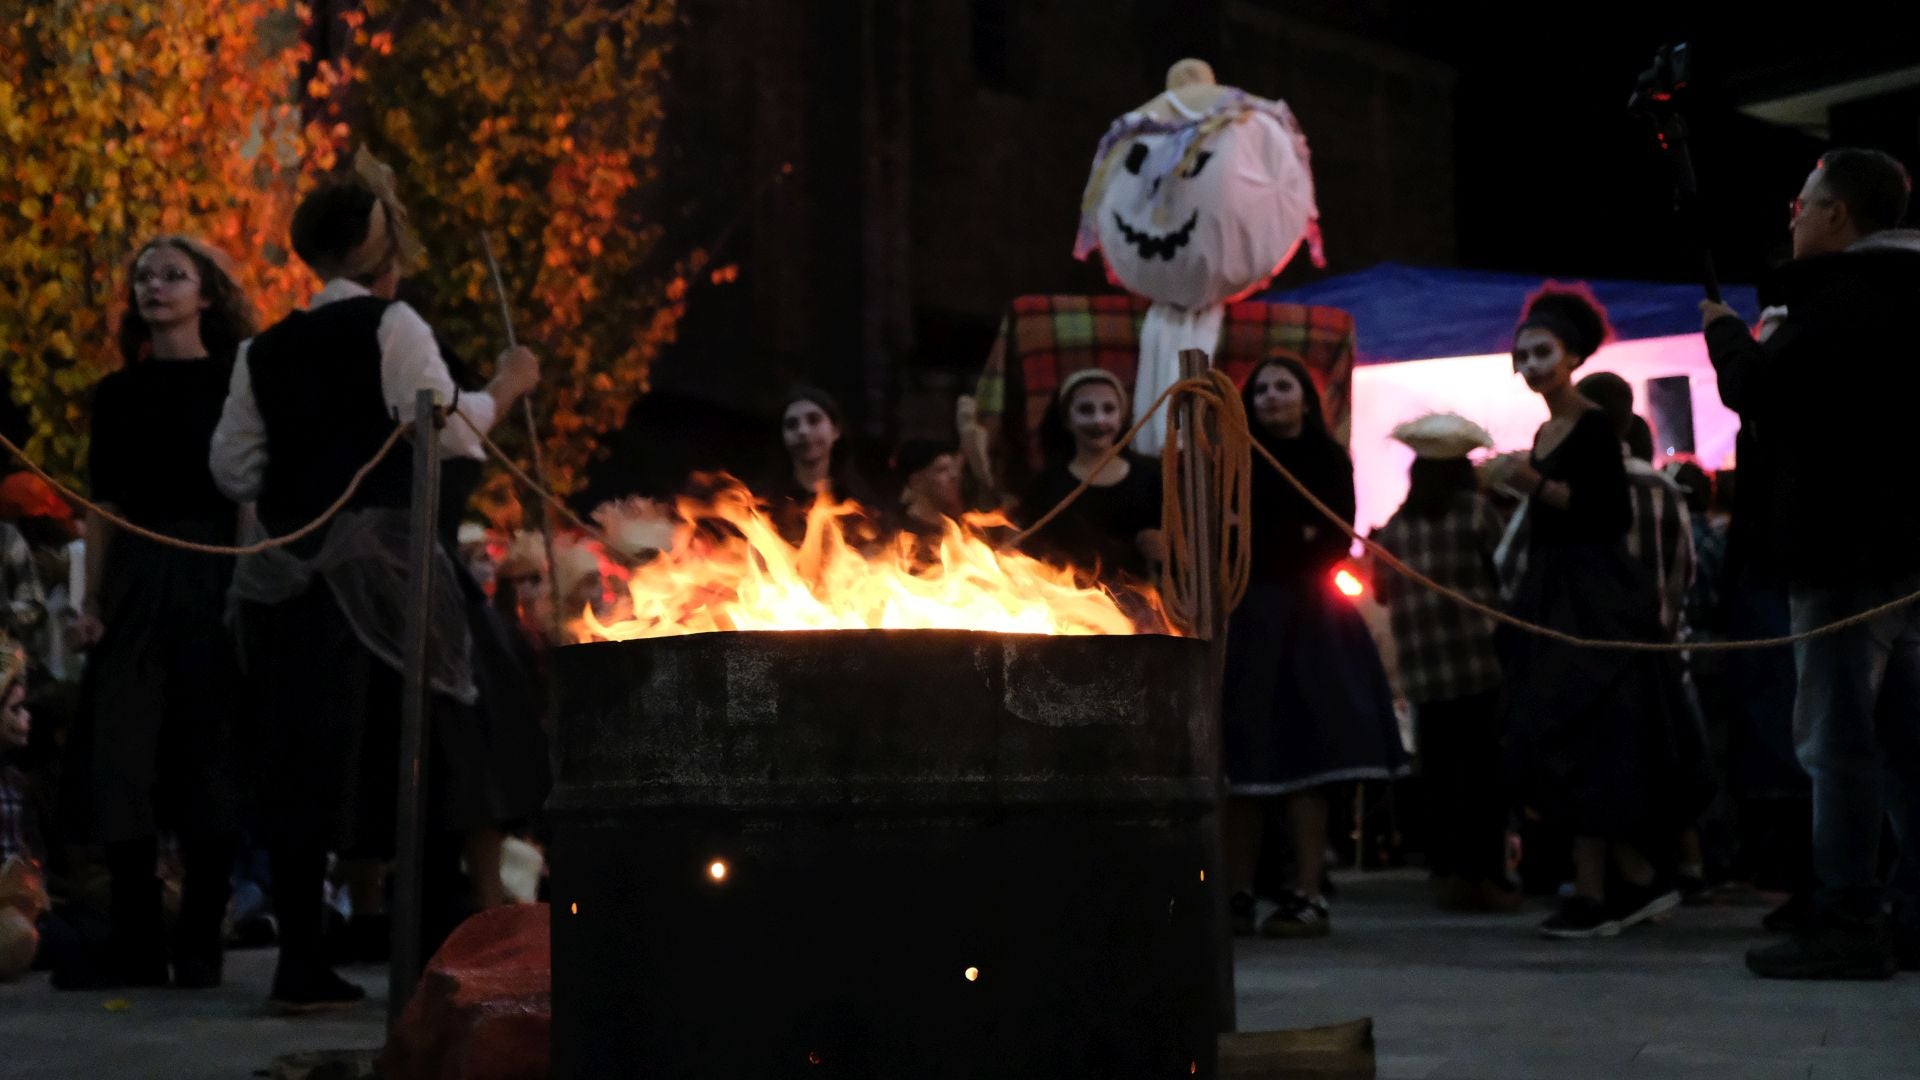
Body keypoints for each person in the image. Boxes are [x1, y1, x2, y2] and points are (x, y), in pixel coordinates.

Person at [210, 151, 542, 1011]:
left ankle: (301, 964)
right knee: (427, 754)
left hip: (291, 588)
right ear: (376, 249)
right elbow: (447, 429)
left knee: (303, 767)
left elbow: (234, 469)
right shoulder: (393, 325)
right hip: (392, 589)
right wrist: (505, 386)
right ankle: (432, 956)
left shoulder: (261, 351)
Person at [1702, 147, 1920, 979]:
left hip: (1841, 550)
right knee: (1904, 741)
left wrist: (1727, 338)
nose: (1792, 219)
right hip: (1904, 552)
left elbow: (1768, 392)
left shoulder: (1841, 296)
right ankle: (1910, 911)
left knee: (1839, 742)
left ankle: (1847, 917)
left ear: (1837, 214)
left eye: (1803, 205)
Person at [57, 236, 257, 991]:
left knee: (211, 752)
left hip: (212, 570)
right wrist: (91, 599)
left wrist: (245, 583)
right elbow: (104, 504)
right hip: (139, 577)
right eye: (144, 276)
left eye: (174, 275)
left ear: (206, 294)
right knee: (123, 755)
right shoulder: (118, 394)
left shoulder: (236, 381)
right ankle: (137, 936)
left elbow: (247, 492)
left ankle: (201, 936)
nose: (155, 287)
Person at [1498, 286, 1710, 940]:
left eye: (1542, 353)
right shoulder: (1548, 429)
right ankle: (1627, 881)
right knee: (1566, 736)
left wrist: (1531, 484)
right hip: (1555, 591)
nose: (1531, 366)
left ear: (1571, 356)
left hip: (1592, 596)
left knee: (1586, 732)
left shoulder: (1591, 426)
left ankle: (1602, 888)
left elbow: (1606, 515)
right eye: (1522, 356)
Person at [1221, 354, 1406, 938]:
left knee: (1311, 755)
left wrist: (1271, 539)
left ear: (1306, 398)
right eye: (1262, 389)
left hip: (1310, 619)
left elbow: (1329, 538)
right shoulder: (1234, 458)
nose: (1272, 397)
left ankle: (1307, 892)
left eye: (1284, 386)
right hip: (1251, 614)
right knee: (1244, 756)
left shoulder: (1327, 459)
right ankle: (1236, 892)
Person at [1369, 414, 1517, 913]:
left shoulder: (1396, 528)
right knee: (1483, 776)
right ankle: (1486, 876)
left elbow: (1381, 594)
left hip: (1423, 673)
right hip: (1478, 665)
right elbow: (1504, 577)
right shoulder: (1477, 513)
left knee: (1440, 776)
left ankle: (1448, 872)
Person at [1015, 368, 1166, 584]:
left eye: (1109, 409)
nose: (1098, 420)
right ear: (1067, 419)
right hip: (1067, 598)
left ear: (1121, 416)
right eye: (1086, 410)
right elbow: (1028, 555)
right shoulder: (1045, 485)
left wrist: (1165, 548)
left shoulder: (1152, 476)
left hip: (1141, 598)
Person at [765, 385, 877, 543]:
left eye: (814, 420)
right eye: (791, 424)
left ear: (836, 430)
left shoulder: (862, 503)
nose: (803, 431)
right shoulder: (763, 506)